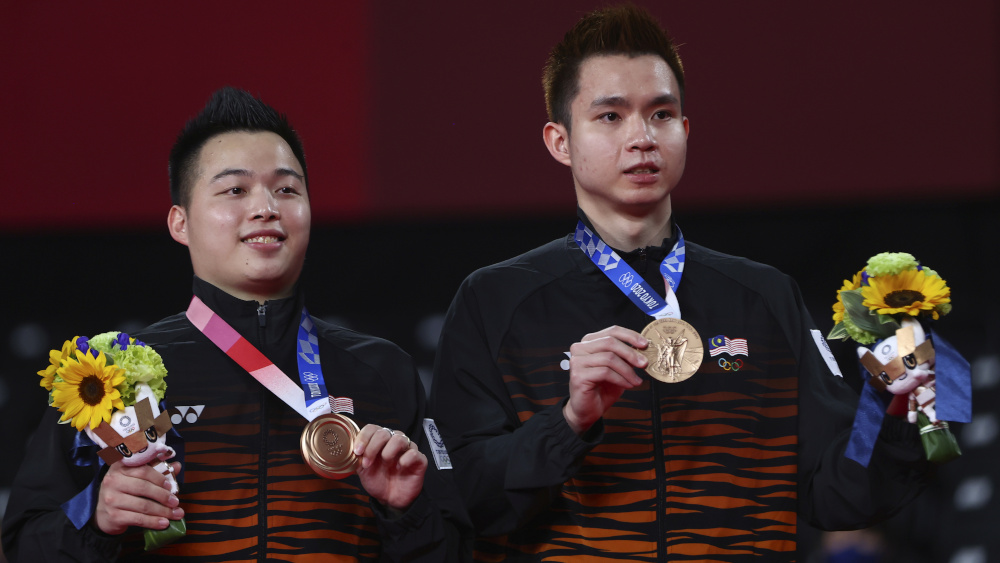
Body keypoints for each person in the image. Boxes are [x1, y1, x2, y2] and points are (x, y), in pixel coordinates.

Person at [429, 5, 929, 561]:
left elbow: (834, 492)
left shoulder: (764, 296)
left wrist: (899, 418)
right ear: (559, 141)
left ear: (685, 131)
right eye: (611, 117)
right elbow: (461, 499)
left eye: (661, 114)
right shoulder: (495, 301)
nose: (642, 137)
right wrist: (570, 423)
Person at [3, 87, 469, 561]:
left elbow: (456, 550)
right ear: (179, 223)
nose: (266, 207)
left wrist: (403, 513)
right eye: (235, 189)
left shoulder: (382, 371)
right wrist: (97, 516)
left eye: (287, 189)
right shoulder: (109, 376)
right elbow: (22, 544)